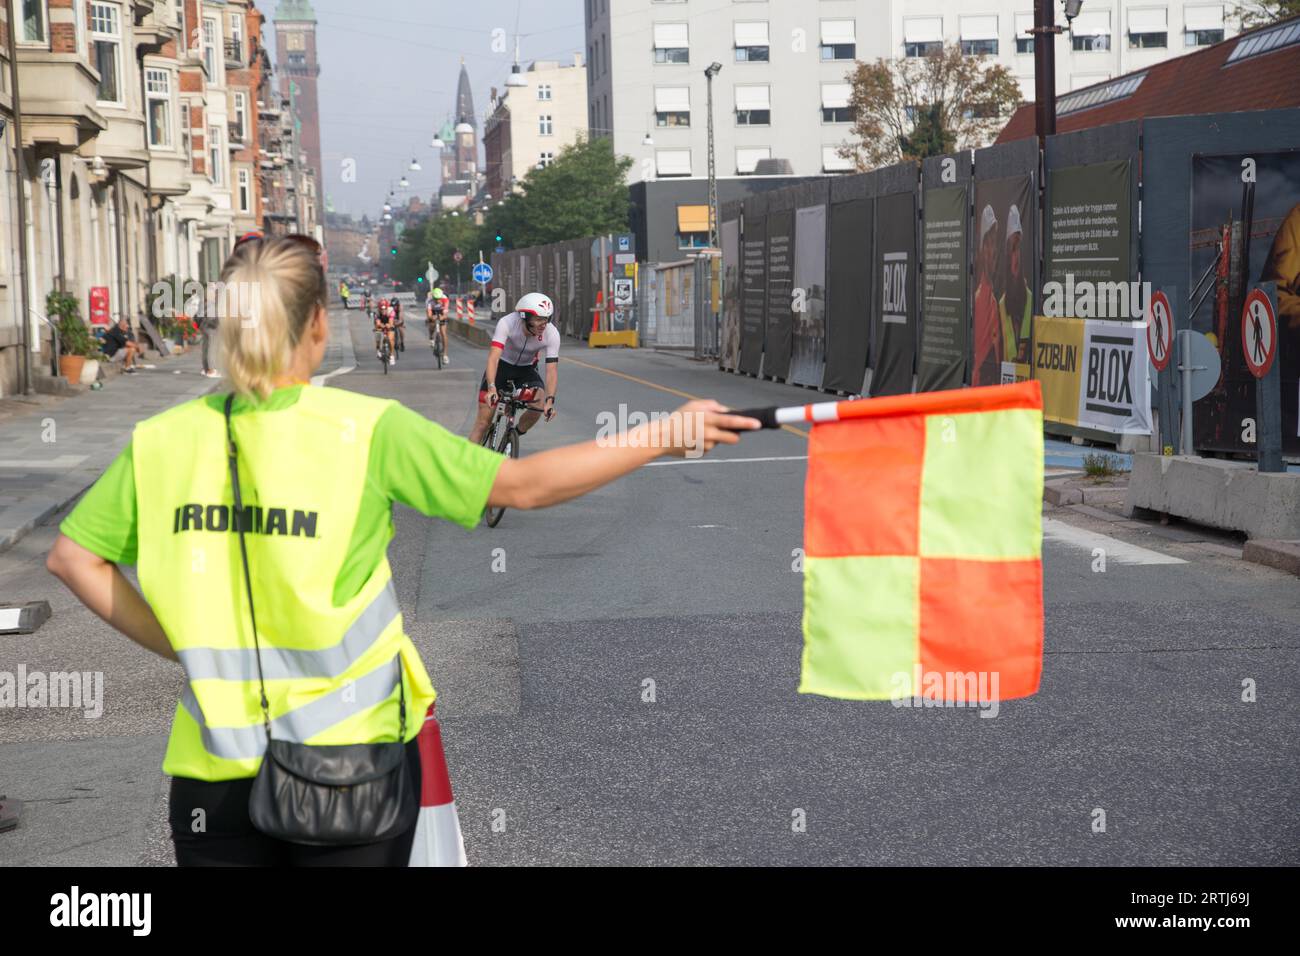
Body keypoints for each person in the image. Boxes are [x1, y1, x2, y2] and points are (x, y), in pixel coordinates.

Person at [44, 236, 756, 866]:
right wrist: (663, 433)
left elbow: (73, 558)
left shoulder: (161, 441)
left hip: (212, 778)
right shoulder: (365, 428)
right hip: (349, 766)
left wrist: (184, 646)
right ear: (318, 325)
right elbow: (523, 485)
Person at [468, 293, 560, 444]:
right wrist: (492, 388)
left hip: (527, 369)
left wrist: (550, 401)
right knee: (482, 423)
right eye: (538, 319)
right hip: (501, 368)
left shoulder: (551, 333)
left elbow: (551, 370)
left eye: (546, 319)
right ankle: (466, 465)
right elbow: (493, 358)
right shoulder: (507, 323)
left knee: (538, 402)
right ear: (524, 317)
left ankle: (510, 438)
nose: (543, 324)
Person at [997, 205, 1032, 367]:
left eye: (1018, 248)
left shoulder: (1030, 298)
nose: (1016, 255)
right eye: (1012, 249)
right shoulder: (1002, 305)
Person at [972, 205, 1002, 387]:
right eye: (988, 243)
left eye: (994, 243)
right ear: (982, 250)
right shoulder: (980, 299)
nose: (993, 251)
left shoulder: (993, 300)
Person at [428, 285, 449, 364]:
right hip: (433, 311)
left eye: (439, 298)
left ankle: (445, 355)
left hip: (441, 312)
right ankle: (431, 337)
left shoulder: (445, 299)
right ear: (433, 297)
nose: (438, 300)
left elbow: (446, 312)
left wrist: (442, 317)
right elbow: (429, 313)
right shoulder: (430, 301)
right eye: (436, 299)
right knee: (431, 325)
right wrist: (431, 317)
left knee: (443, 333)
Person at [374, 298, 396, 365]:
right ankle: (378, 350)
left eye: (385, 309)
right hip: (381, 322)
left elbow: (391, 322)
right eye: (381, 309)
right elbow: (377, 323)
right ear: (379, 309)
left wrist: (389, 325)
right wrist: (380, 325)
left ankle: (391, 355)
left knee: (390, 338)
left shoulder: (391, 311)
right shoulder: (377, 312)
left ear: (387, 307)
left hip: (389, 322)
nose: (383, 311)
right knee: (377, 333)